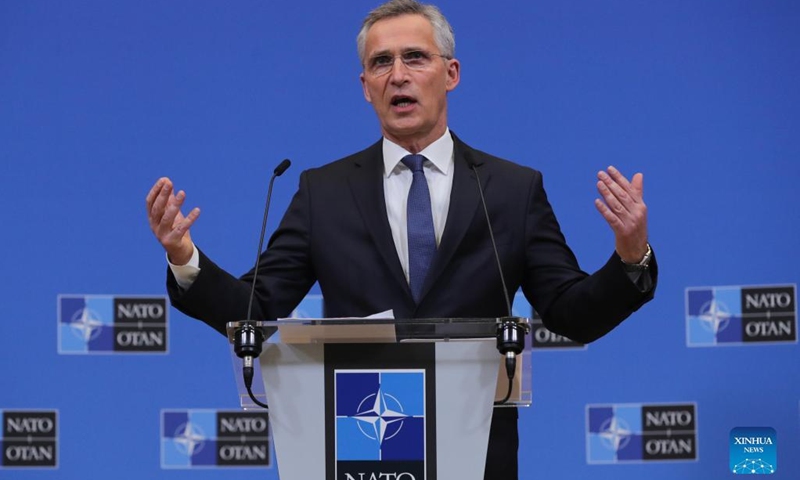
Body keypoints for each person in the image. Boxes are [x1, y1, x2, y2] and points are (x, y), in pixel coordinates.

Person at [145, 0, 657, 478]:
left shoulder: (510, 189)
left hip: (478, 455)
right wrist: (185, 257)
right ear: (365, 85)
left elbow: (571, 312)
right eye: (381, 63)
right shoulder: (323, 192)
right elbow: (256, 310)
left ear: (450, 74)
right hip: (363, 446)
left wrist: (630, 257)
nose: (398, 75)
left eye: (414, 57)